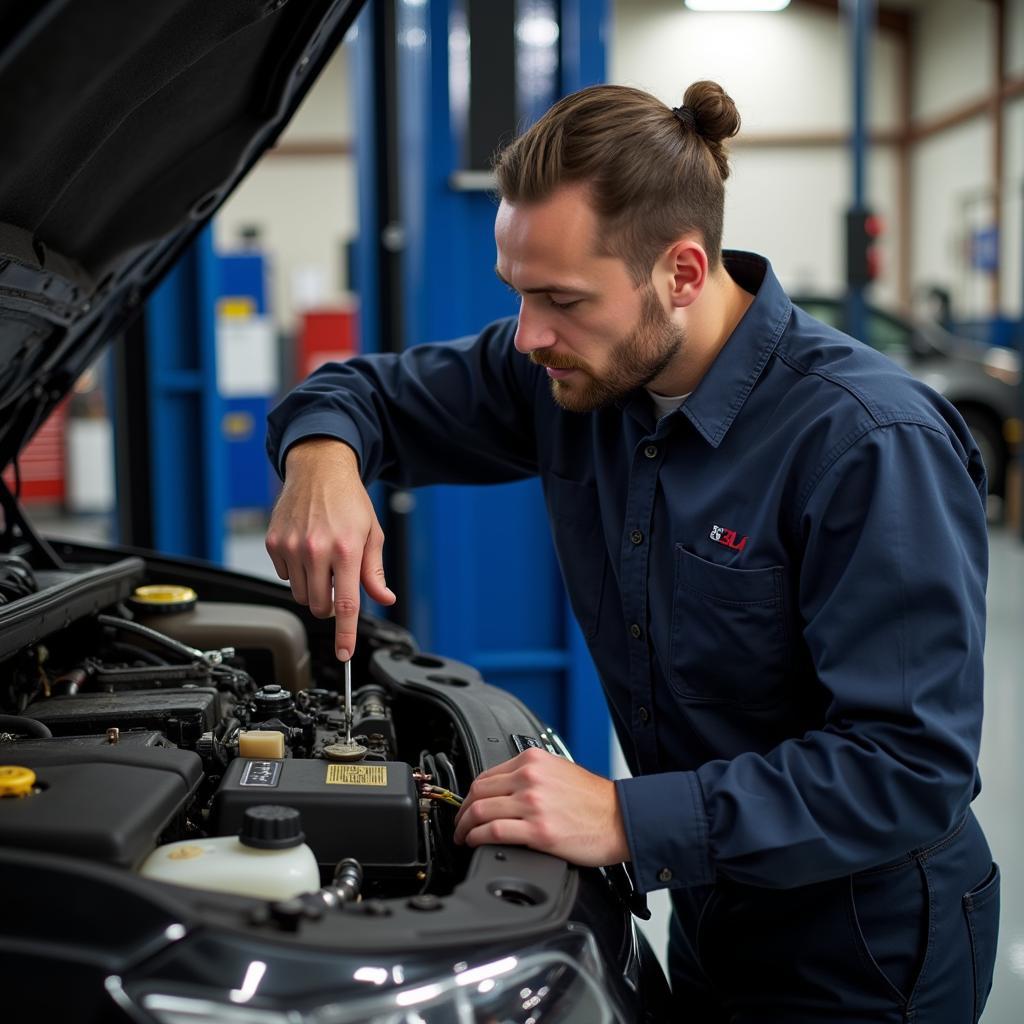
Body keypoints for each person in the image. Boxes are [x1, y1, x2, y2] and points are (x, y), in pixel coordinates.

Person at [265, 80, 999, 1023]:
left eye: (562, 299)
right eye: (518, 295)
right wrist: (322, 457)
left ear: (683, 273)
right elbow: (368, 394)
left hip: (862, 946)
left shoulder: (867, 443)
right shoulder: (575, 367)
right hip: (710, 907)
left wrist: (623, 816)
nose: (529, 337)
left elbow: (908, 767)